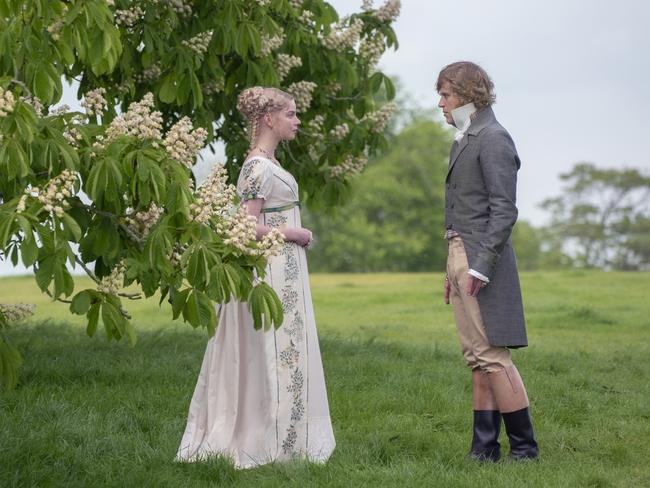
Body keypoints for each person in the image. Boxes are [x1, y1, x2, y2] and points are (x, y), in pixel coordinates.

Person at [176, 87, 336, 468]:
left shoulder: (268, 163)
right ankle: (265, 435)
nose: (297, 122)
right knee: (271, 347)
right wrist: (292, 234)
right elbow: (244, 226)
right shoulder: (257, 167)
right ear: (269, 118)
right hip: (269, 268)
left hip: (285, 268)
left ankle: (290, 436)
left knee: (289, 347)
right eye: (292, 114)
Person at [436, 61, 539, 461]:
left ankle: (526, 450)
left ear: (467, 94)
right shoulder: (463, 138)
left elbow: (504, 209)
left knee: (493, 357)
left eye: (445, 94)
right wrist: (452, 265)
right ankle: (484, 450)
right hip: (459, 252)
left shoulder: (493, 137)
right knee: (476, 359)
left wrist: (478, 265)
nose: (440, 104)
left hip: (482, 258)